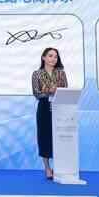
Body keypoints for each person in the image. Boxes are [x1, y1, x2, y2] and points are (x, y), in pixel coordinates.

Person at [31, 47, 69, 180]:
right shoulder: (37, 74)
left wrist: (55, 91)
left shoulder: (61, 73)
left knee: (59, 137)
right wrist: (49, 91)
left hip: (59, 107)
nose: (53, 59)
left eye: (55, 56)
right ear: (44, 58)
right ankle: (47, 168)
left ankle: (60, 166)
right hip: (44, 107)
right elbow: (36, 93)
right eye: (50, 56)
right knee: (44, 137)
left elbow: (65, 89)